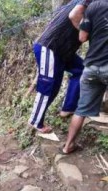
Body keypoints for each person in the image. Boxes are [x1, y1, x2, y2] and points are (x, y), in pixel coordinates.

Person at [28, 0, 93, 133]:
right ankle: (35, 121)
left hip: (64, 51)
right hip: (50, 47)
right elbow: (74, 15)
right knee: (49, 86)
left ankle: (68, 107)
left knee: (81, 70)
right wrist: (84, 33)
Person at [62, 0, 108, 154]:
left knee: (80, 110)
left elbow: (82, 37)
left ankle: (68, 146)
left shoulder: (94, 6)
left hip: (91, 66)